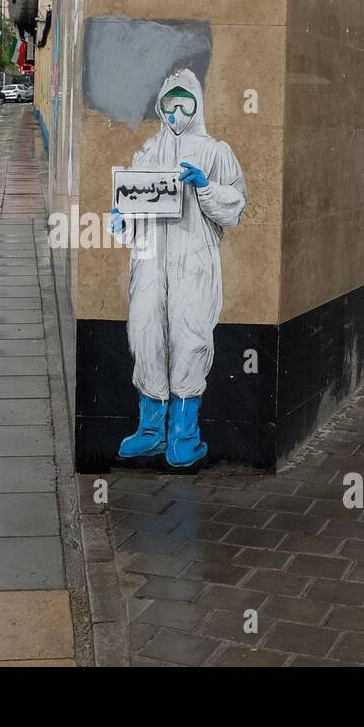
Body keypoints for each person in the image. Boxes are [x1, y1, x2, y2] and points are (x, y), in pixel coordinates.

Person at [110, 68, 247, 468]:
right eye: (169, 103)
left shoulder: (216, 151)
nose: (175, 111)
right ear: (161, 105)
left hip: (195, 261)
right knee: (146, 334)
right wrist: (122, 222)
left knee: (190, 336)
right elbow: (133, 210)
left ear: (197, 103)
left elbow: (235, 207)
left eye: (184, 102)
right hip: (149, 262)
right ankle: (150, 429)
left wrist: (206, 188)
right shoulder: (147, 151)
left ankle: (184, 434)